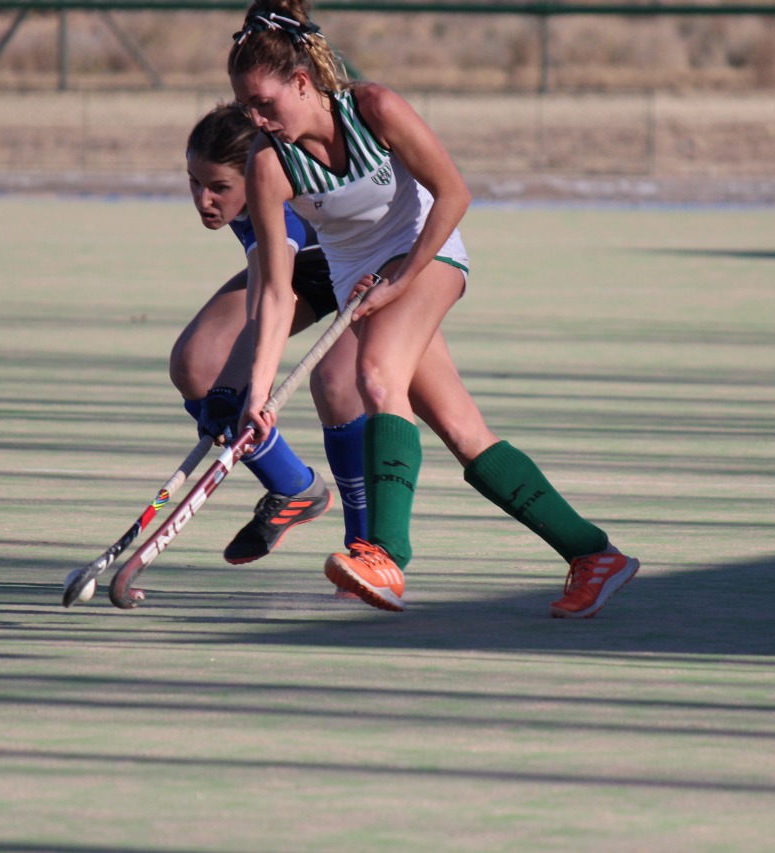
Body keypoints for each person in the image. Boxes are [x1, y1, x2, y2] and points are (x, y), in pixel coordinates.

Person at [228, 0, 640, 618]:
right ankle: (593, 555)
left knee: (374, 377)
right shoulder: (268, 165)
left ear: (302, 82)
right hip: (361, 283)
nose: (258, 119)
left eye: (265, 102)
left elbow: (454, 193)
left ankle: (386, 554)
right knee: (462, 430)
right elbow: (272, 293)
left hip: (428, 253)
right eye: (246, 108)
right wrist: (257, 396)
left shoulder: (375, 109)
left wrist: (402, 278)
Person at [173, 102, 367, 565]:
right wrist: (222, 390)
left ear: (256, 175)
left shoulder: (276, 205)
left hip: (371, 270)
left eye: (219, 188)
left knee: (337, 387)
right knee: (195, 365)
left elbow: (269, 303)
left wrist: (239, 391)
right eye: (194, 183)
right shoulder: (238, 196)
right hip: (308, 273)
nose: (203, 200)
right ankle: (293, 487)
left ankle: (366, 546)